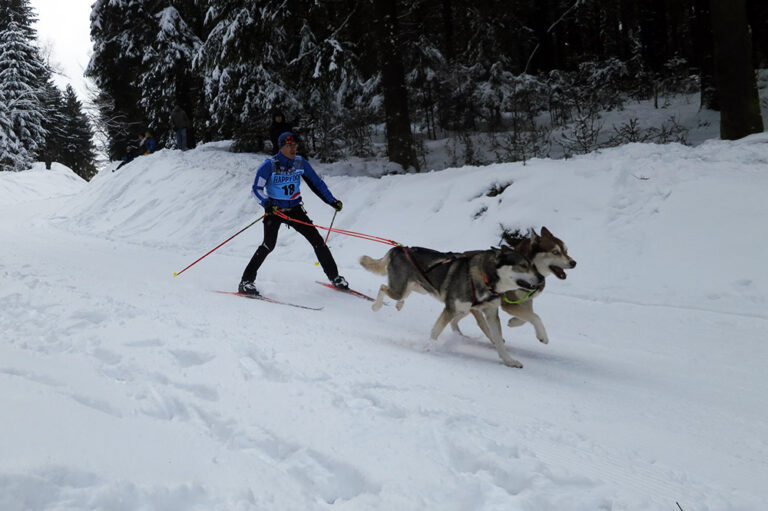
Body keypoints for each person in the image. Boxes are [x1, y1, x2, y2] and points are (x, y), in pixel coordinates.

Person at [239, 131, 347, 296]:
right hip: (275, 210)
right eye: (289, 145)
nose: (293, 148)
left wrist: (331, 201)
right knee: (268, 245)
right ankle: (246, 281)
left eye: (295, 145)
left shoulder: (300, 162)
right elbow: (256, 189)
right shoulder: (269, 165)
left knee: (317, 241)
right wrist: (266, 203)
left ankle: (335, 277)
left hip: (295, 209)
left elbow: (316, 183)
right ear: (281, 147)